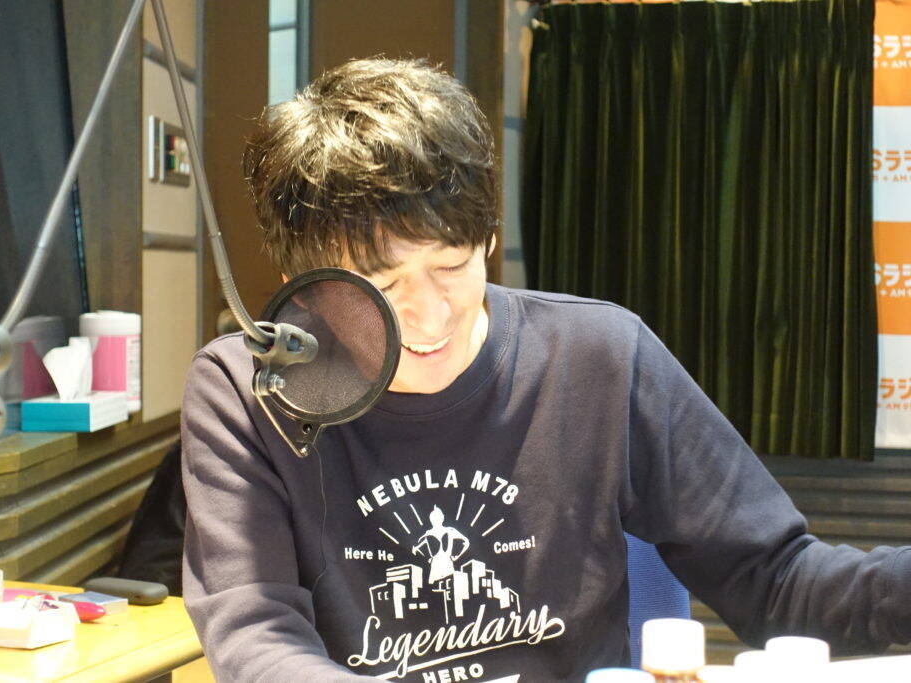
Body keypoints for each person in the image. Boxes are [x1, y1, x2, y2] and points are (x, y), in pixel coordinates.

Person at [180, 58, 911, 681]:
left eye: (452, 265)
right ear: (305, 285)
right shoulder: (250, 392)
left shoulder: (599, 357)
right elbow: (257, 636)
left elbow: (776, 580)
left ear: (486, 240)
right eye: (382, 286)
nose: (429, 318)